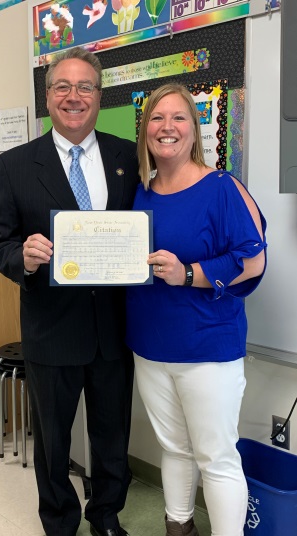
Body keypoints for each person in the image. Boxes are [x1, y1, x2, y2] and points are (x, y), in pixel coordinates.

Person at [0, 47, 139, 536]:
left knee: (113, 434)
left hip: (114, 328)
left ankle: (107, 516)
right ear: (47, 97)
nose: (74, 97)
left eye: (85, 87)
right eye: (62, 87)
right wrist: (22, 258)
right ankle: (59, 522)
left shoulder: (126, 157)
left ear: (99, 95)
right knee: (53, 441)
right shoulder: (14, 164)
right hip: (51, 329)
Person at [126, 83, 267, 536]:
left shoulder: (221, 186)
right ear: (145, 128)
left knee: (217, 458)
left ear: (194, 128)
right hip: (150, 345)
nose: (167, 127)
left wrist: (188, 273)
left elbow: (253, 260)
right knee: (174, 448)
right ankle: (179, 528)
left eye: (178, 117)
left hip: (208, 347)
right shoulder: (140, 192)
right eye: (157, 118)